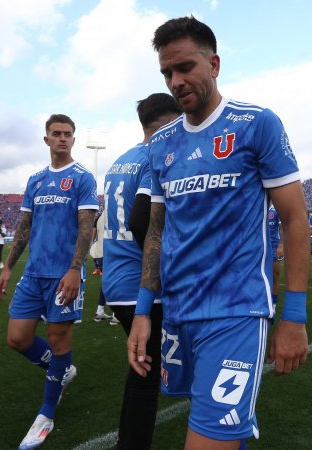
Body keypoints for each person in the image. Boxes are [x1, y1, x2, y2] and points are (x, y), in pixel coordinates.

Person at [128, 17, 310, 450]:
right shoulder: (161, 143)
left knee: (208, 439)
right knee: (220, 429)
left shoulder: (256, 124)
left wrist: (294, 316)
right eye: (167, 73)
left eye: (185, 67)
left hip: (236, 313)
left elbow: (295, 218)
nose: (176, 81)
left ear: (214, 64)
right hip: (178, 313)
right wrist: (142, 311)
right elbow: (156, 232)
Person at [0, 114, 98, 449]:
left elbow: (86, 227)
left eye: (68, 133)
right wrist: (8, 267)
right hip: (33, 273)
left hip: (63, 273)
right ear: (46, 139)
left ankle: (46, 414)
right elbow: (24, 227)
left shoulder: (82, 177)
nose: (63, 138)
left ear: (73, 139)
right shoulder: (36, 180)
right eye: (57, 133)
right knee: (17, 338)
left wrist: (75, 269)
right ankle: (62, 371)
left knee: (58, 340)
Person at [102, 92, 181, 449]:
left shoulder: (120, 160)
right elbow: (139, 221)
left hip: (117, 281)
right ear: (168, 123)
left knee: (140, 372)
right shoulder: (155, 156)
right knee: (147, 378)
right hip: (140, 284)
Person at [268, 204, 285, 306]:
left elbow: (282, 227)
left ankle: (273, 303)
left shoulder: (276, 209)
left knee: (275, 274)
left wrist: (281, 245)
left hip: (274, 245)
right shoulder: (258, 207)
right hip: (259, 245)